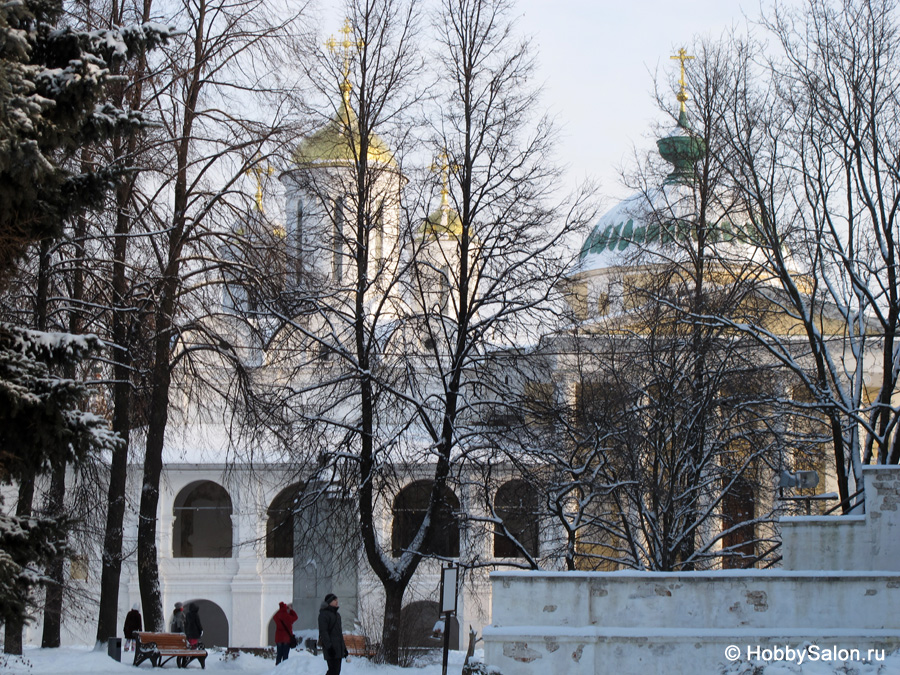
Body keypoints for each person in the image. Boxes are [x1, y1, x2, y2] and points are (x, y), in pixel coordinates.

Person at [318, 593, 348, 675]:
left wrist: (344, 648)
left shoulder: (337, 615)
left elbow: (339, 633)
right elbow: (323, 632)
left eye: (337, 600)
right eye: (334, 600)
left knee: (336, 671)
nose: (337, 602)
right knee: (333, 671)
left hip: (338, 648)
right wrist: (329, 647)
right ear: (329, 602)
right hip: (331, 648)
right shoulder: (324, 615)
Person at [273, 601, 298, 665]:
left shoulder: (277, 615)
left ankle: (277, 668)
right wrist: (291, 610)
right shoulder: (287, 616)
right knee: (285, 655)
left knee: (279, 654)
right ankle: (284, 669)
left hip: (278, 638)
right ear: (285, 607)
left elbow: (274, 617)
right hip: (286, 638)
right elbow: (295, 617)